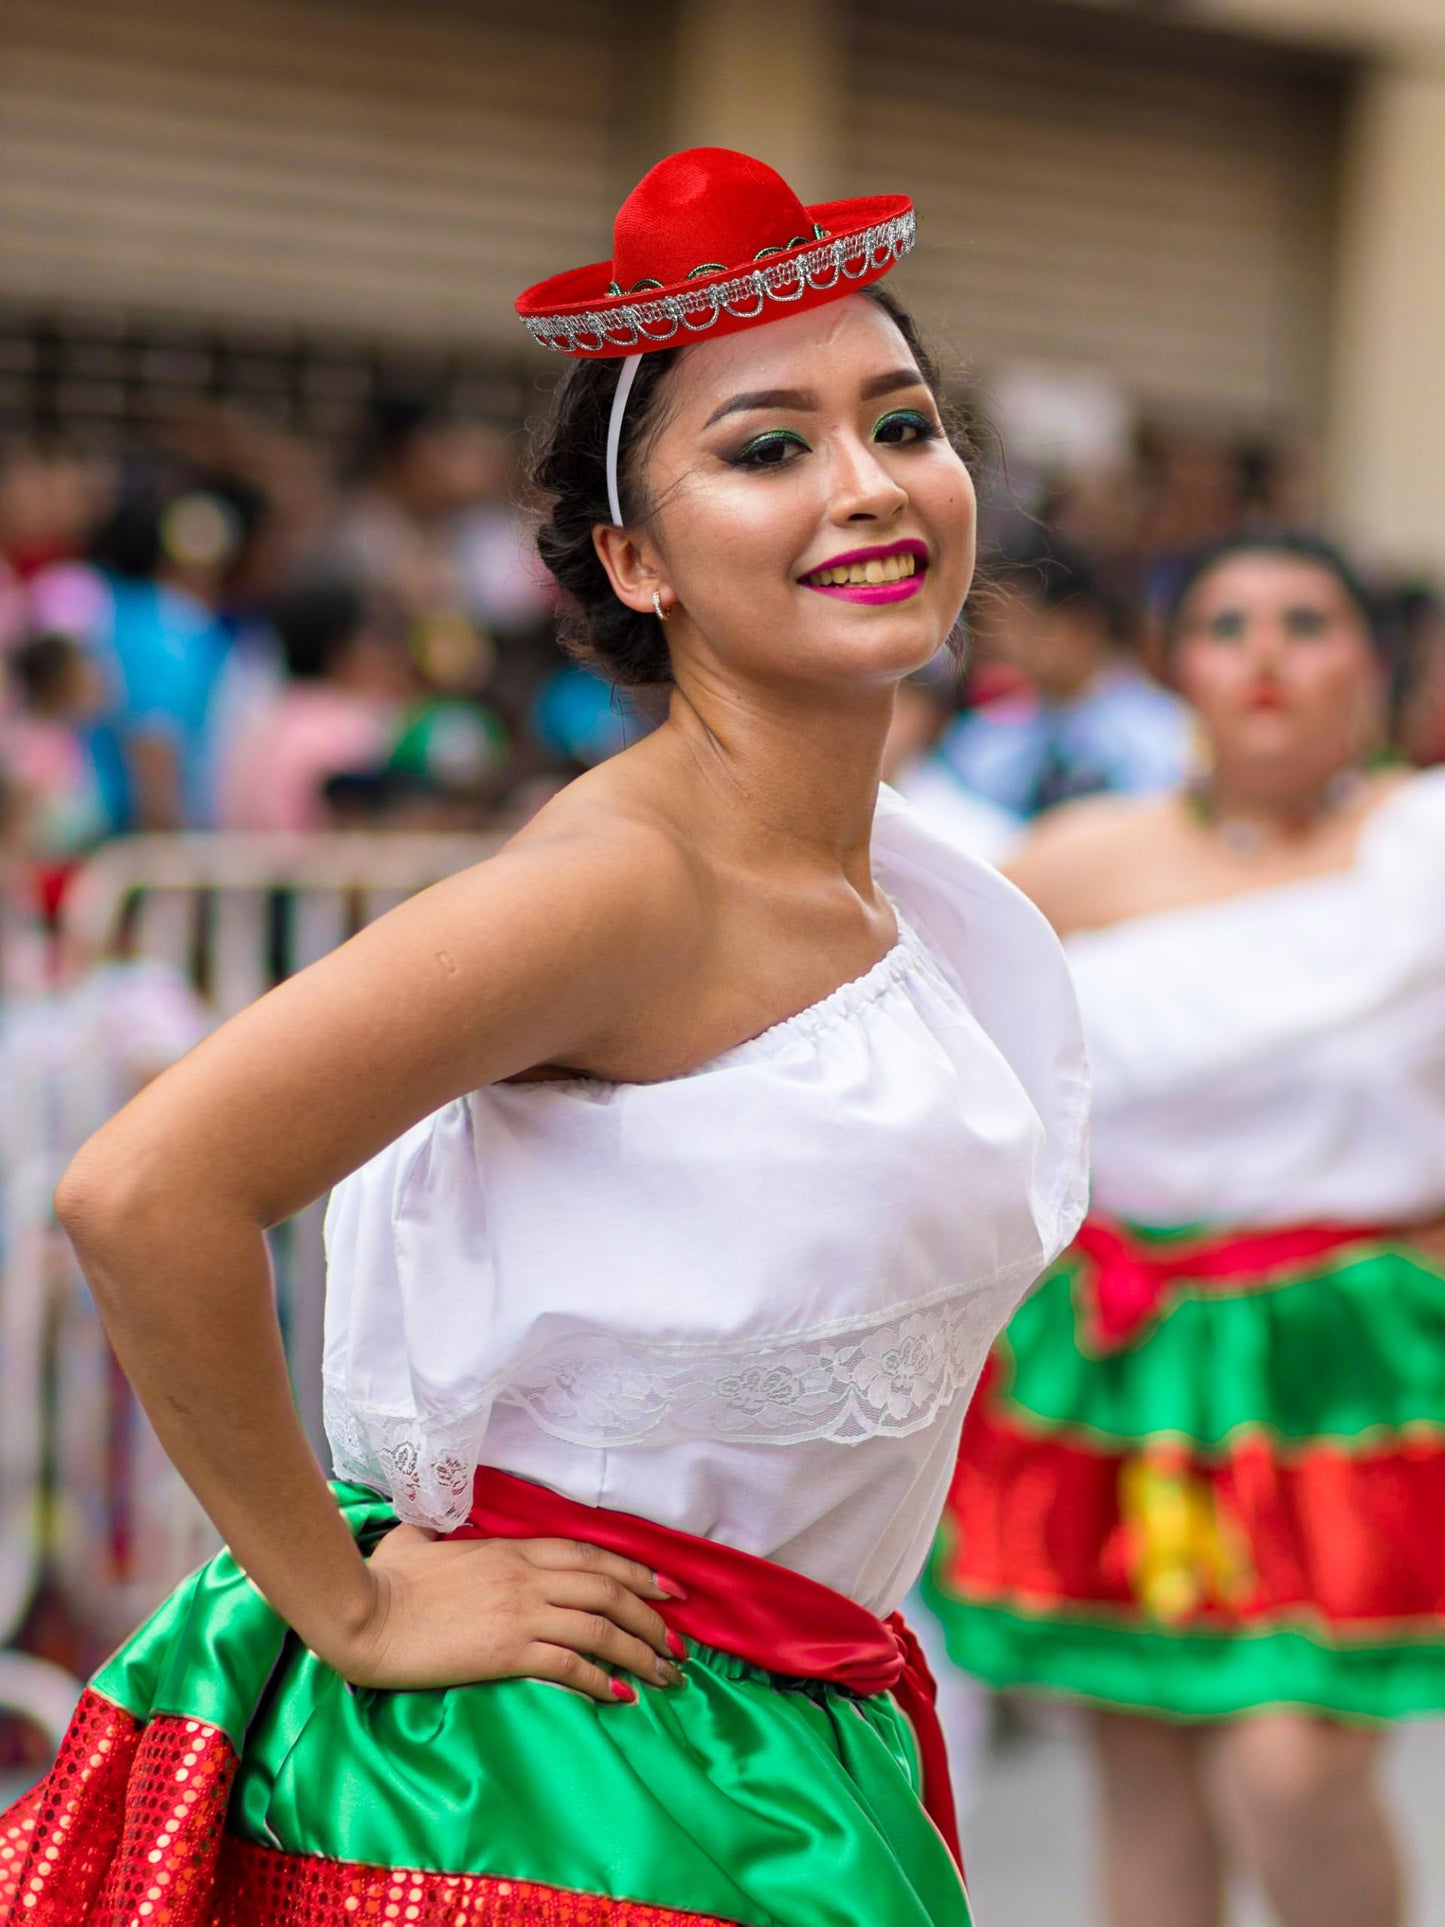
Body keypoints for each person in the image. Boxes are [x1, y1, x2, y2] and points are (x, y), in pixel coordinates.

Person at [0, 148, 1088, 1925]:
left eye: (901, 423)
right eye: (765, 447)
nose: (864, 485)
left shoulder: (903, 887)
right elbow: (148, 1185)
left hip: (780, 1744)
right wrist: (346, 1601)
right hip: (551, 1783)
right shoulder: (621, 888)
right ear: (632, 558)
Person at [925, 532, 1445, 1927]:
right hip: (1121, 1349)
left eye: (1306, 620)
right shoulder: (1081, 857)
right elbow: (947, 1062)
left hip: (1351, 1355)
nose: (1264, 650)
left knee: (1291, 1766)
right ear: (1177, 666)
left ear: (1371, 662)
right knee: (1141, 1768)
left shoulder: (1426, 849)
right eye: (1226, 622)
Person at [940, 534, 1190, 819]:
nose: (1004, 644)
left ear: (1078, 623)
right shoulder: (986, 739)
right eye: (992, 627)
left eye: (1021, 625)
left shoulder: (1165, 732)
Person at [217, 580, 411, 833]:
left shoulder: (262, 718)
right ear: (340, 651)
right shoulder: (350, 730)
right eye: (378, 638)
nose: (392, 654)